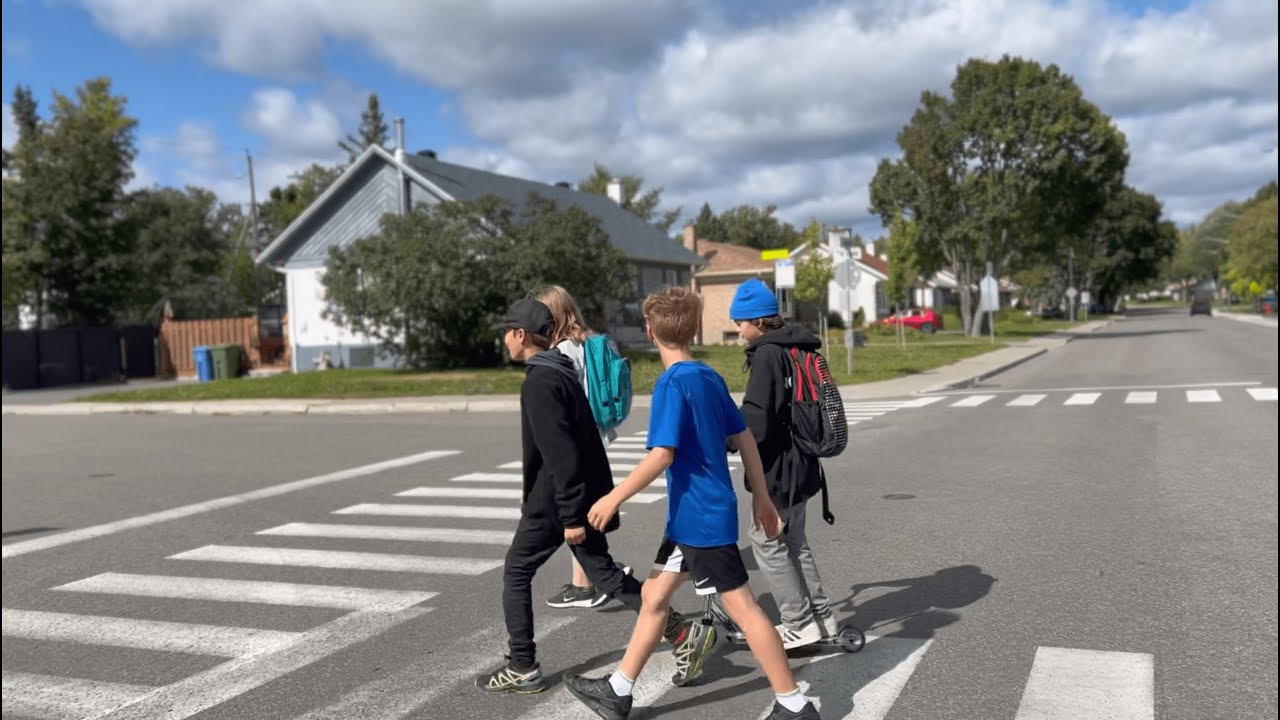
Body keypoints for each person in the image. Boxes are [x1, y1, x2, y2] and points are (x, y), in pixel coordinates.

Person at [564, 287, 822, 720]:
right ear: (695, 329)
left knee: (744, 609)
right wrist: (760, 496)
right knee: (652, 596)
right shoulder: (707, 376)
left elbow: (662, 455)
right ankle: (618, 690)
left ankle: (793, 704)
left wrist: (613, 497)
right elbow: (744, 438)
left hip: (701, 519)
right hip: (693, 517)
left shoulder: (672, 384)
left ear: (650, 332)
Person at [477, 298, 709, 695]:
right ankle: (681, 632)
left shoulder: (540, 381)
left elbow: (561, 454)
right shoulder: (559, 371)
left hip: (558, 502)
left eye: (506, 333)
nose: (505, 340)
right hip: (577, 495)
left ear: (520, 334)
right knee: (604, 574)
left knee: (516, 572)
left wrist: (570, 517)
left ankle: (523, 665)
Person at [724, 278, 841, 649]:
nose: (738, 330)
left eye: (740, 322)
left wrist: (728, 440)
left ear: (758, 321)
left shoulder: (768, 355)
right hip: (804, 463)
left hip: (778, 467)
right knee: (794, 543)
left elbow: (758, 418)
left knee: (766, 540)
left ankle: (798, 622)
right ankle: (823, 619)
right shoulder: (797, 347)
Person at [536, 285, 631, 609]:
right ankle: (586, 580)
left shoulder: (562, 352)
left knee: (575, 512)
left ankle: (595, 580)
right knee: (584, 508)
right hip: (597, 434)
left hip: (578, 440)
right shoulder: (589, 342)